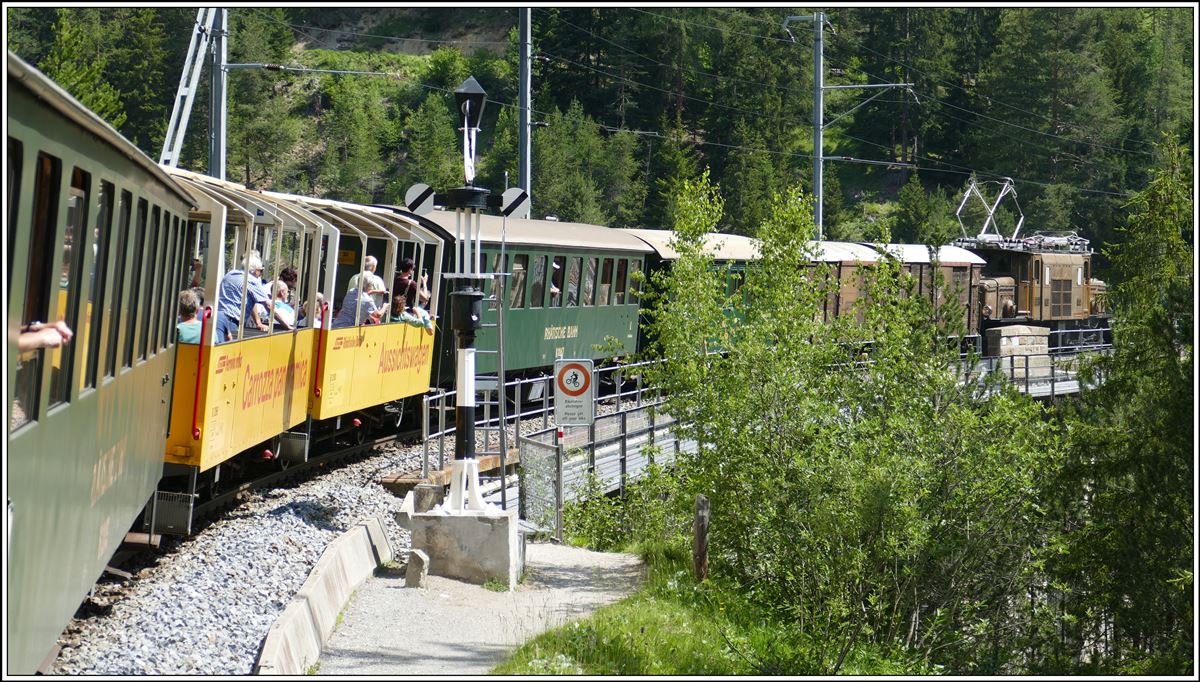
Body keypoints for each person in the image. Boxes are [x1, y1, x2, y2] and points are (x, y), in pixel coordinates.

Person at [215, 251, 270, 342]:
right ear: (254, 269)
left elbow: (250, 300)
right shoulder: (251, 280)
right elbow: (268, 305)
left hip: (218, 317)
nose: (261, 274)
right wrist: (287, 326)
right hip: (231, 321)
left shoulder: (230, 274)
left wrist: (258, 322)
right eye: (260, 270)